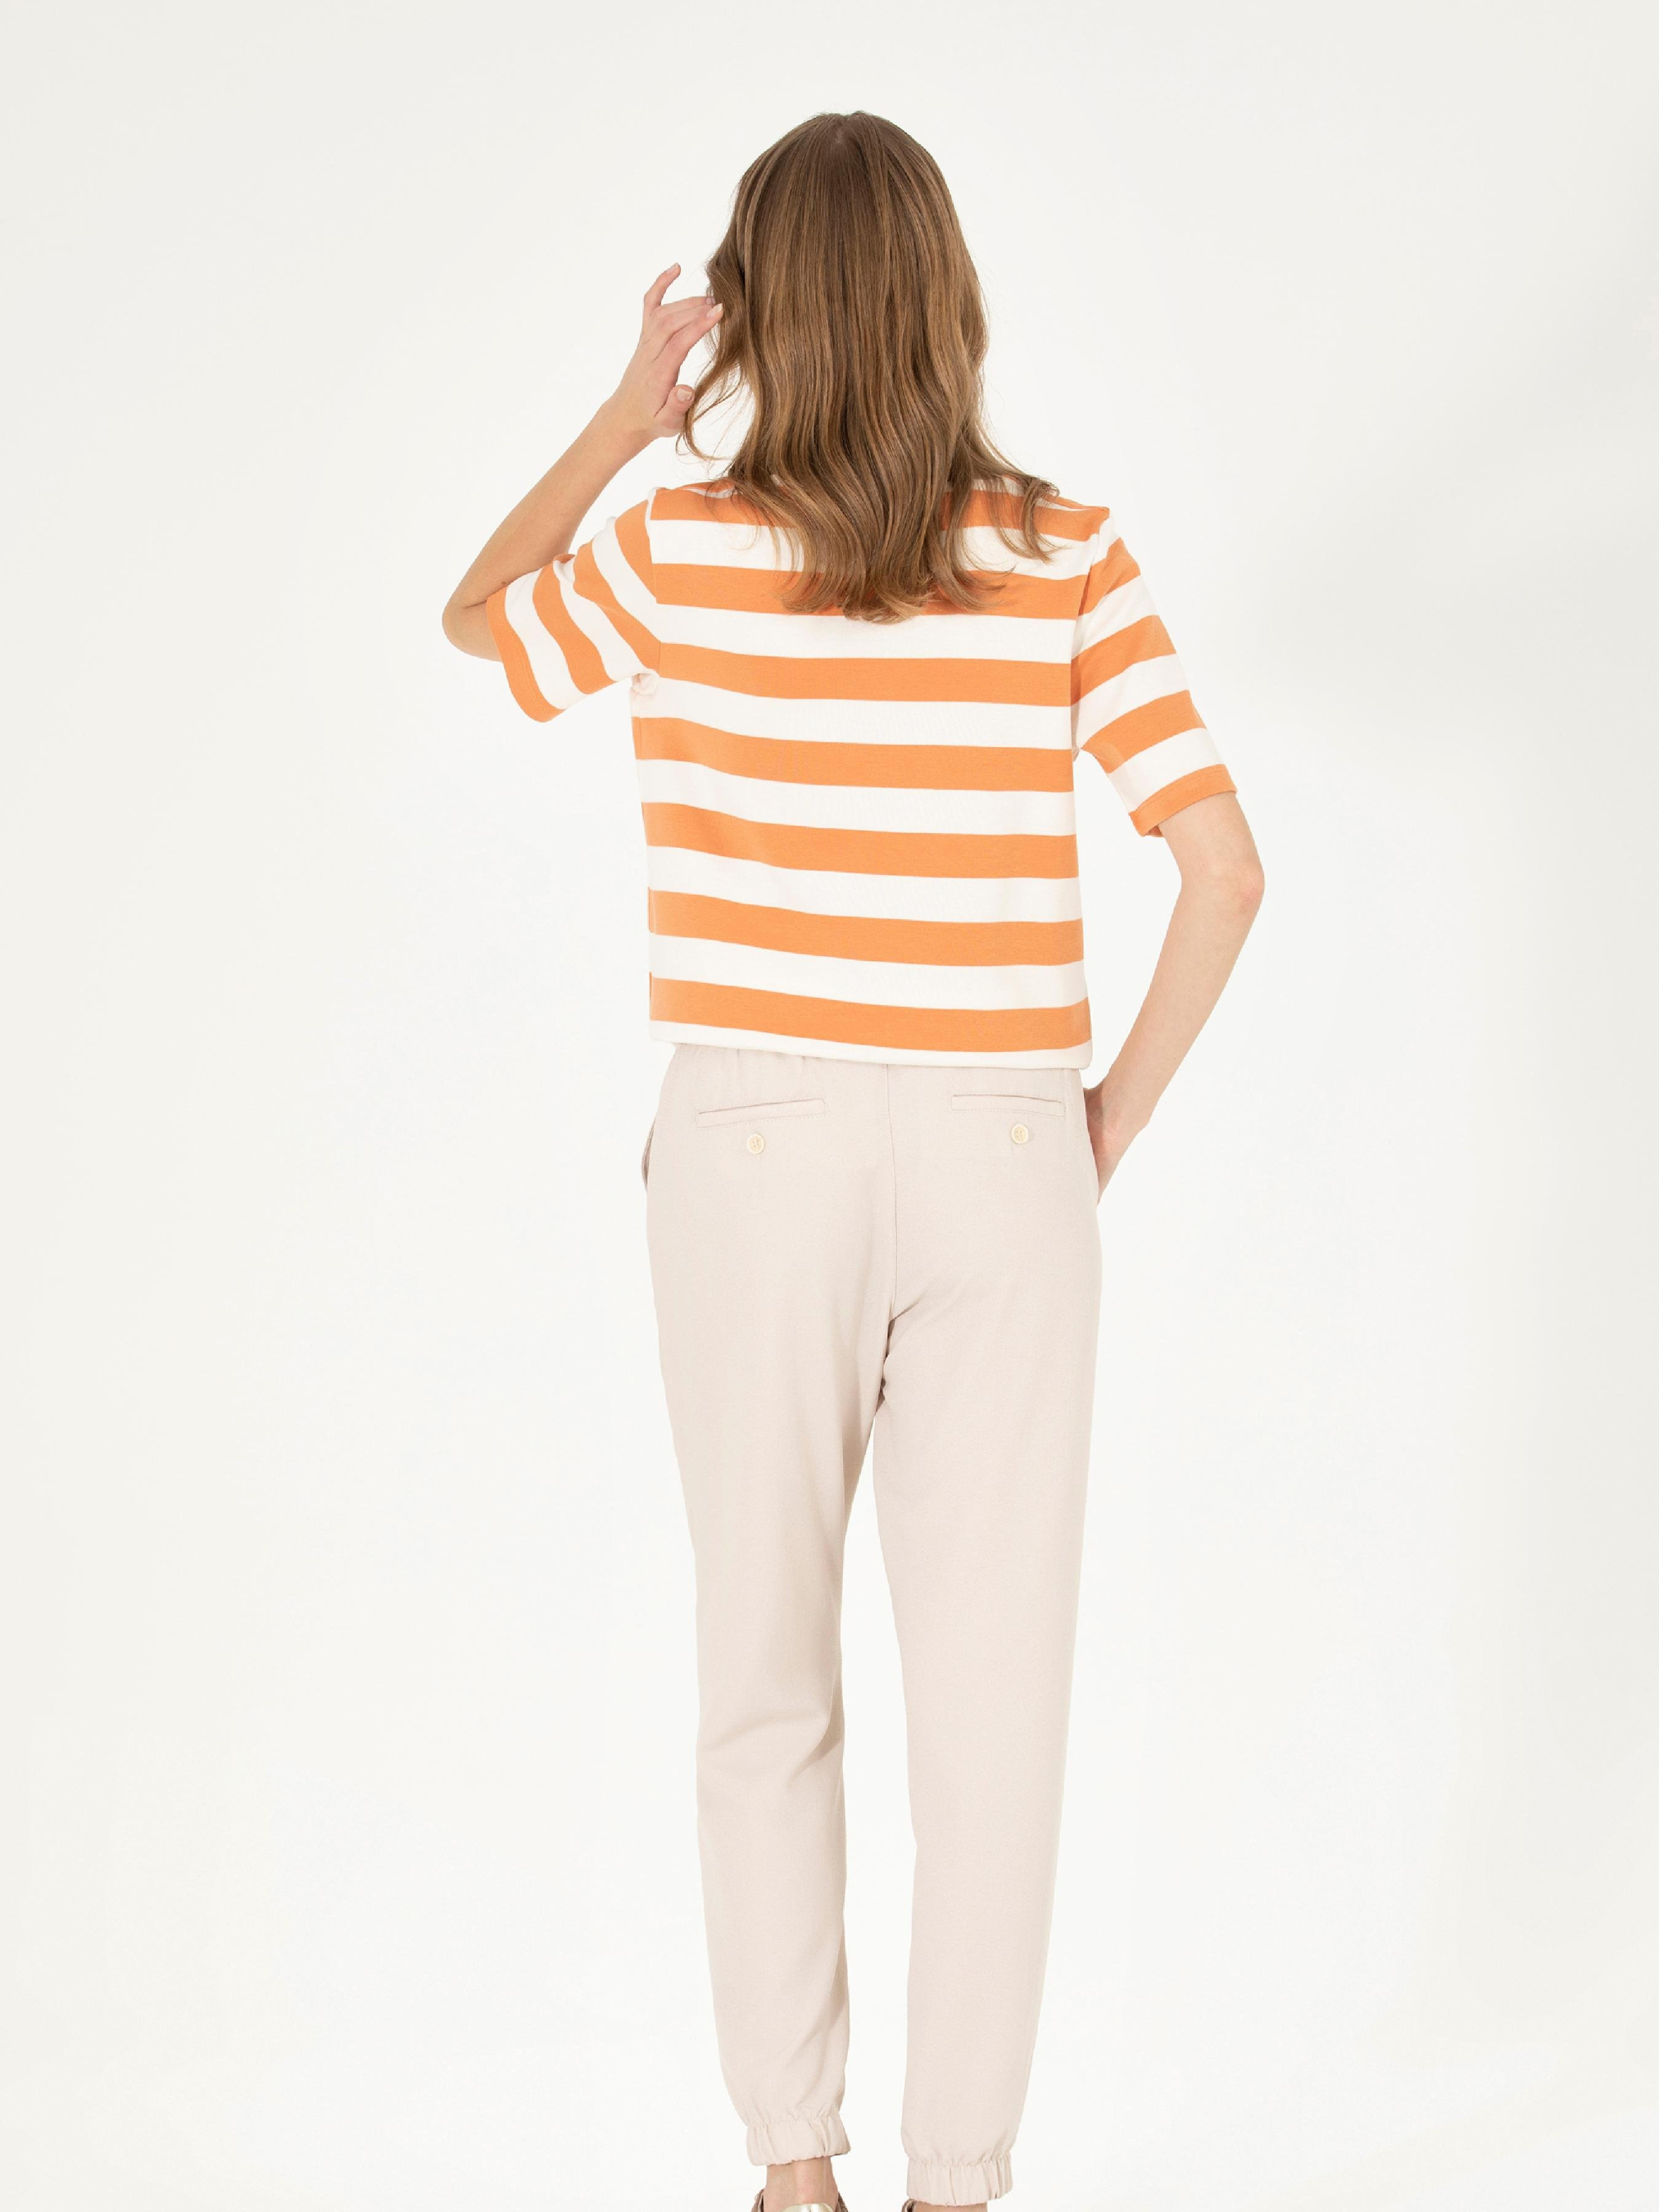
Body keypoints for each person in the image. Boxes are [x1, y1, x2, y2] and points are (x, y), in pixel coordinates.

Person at [442, 109, 1262, 2212]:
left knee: (760, 1679)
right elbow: (1221, 871)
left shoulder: (677, 547)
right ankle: (955, 2183)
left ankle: (789, 2177)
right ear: (943, 299)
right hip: (1005, 1140)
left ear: (756, 313)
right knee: (993, 1712)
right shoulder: (1063, 550)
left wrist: (628, 421)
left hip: (757, 1136)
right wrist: (1093, 1124)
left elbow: (479, 618)